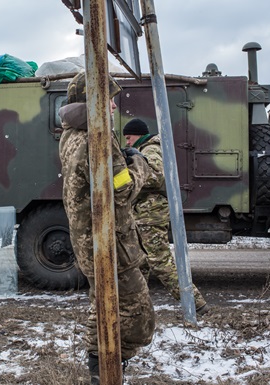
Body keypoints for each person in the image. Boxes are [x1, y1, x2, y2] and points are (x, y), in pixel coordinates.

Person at [58, 72, 155, 385]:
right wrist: (139, 163)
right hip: (110, 243)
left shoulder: (71, 134)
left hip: (89, 242)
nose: (113, 105)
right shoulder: (96, 137)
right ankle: (105, 370)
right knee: (139, 318)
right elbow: (122, 189)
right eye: (107, 98)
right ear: (92, 102)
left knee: (103, 307)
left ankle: (101, 369)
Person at [123, 118, 209, 314]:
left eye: (129, 138)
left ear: (138, 134)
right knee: (140, 262)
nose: (127, 142)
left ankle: (196, 304)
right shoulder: (146, 149)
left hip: (150, 214)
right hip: (145, 213)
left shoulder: (150, 150)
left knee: (159, 261)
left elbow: (156, 177)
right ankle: (137, 308)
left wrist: (131, 167)